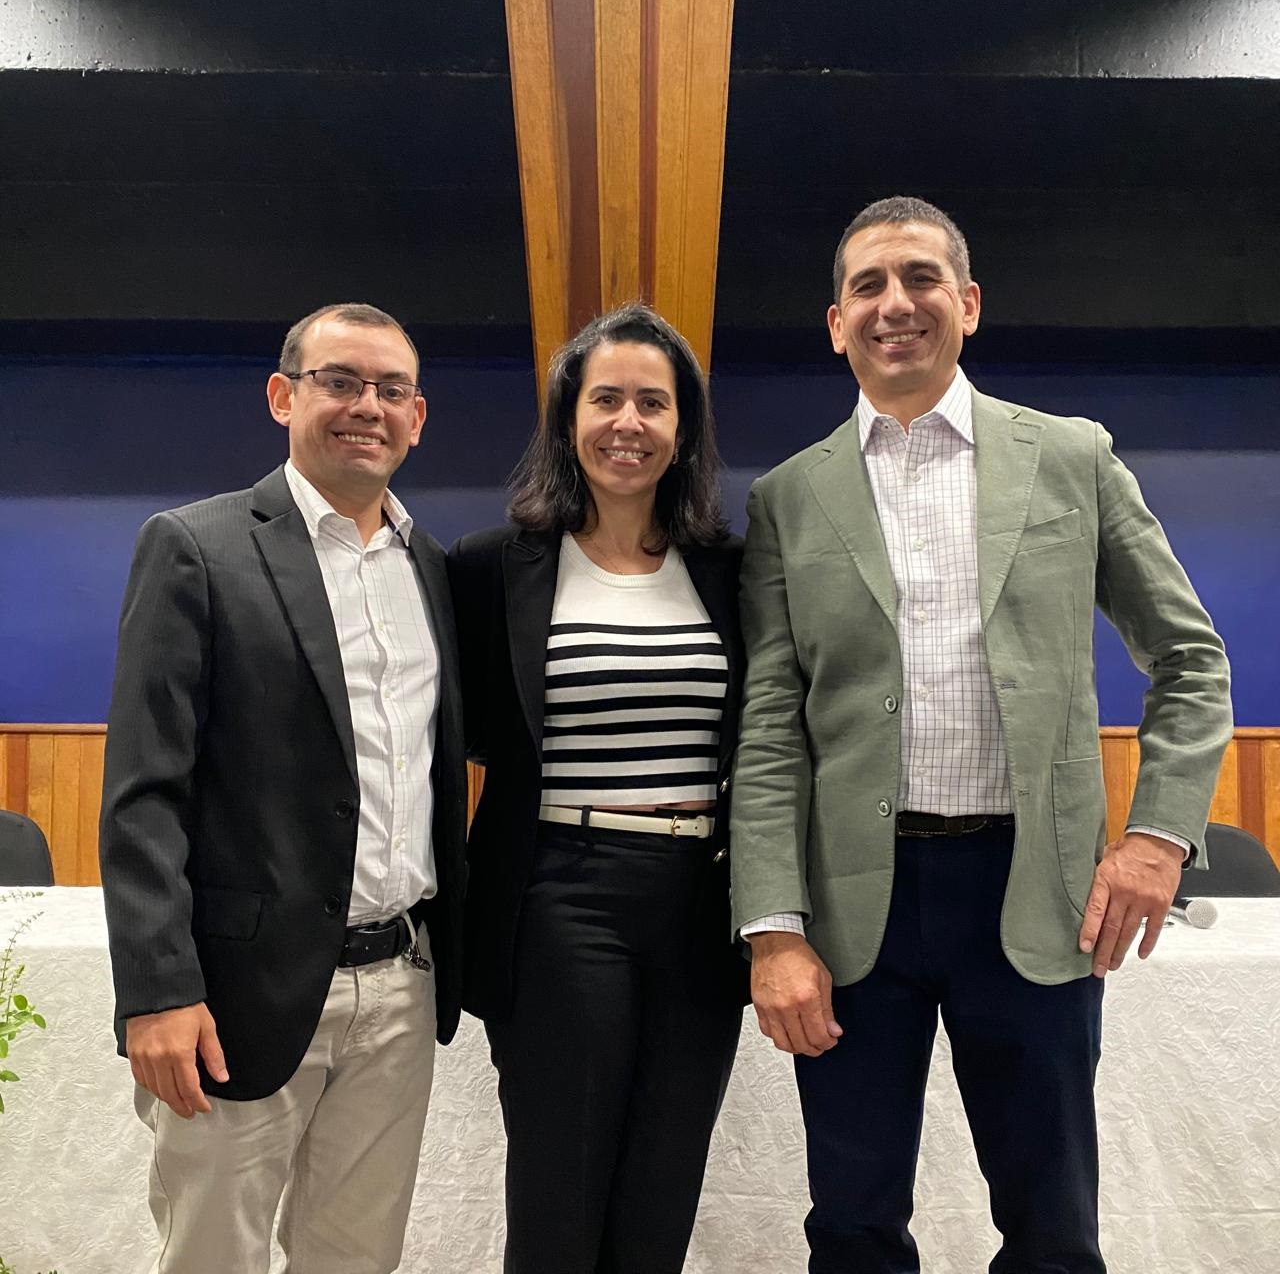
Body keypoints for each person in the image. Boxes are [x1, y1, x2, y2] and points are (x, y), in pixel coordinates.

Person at [730, 197, 1232, 1272]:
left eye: (918, 278)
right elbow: (769, 728)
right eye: (865, 285)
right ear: (832, 321)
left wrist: (1156, 837)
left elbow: (1190, 661)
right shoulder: (786, 498)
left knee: (1051, 1225)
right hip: (850, 910)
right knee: (852, 1224)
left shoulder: (1068, 458)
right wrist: (771, 928)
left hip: (1031, 890)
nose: (892, 304)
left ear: (965, 303)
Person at [98, 302, 467, 1274]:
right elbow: (144, 789)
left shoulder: (434, 571)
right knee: (211, 1258)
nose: (365, 406)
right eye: (339, 380)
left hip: (398, 989)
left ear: (419, 416)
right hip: (234, 1000)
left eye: (390, 389)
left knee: (354, 1260)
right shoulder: (197, 546)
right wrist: (158, 989)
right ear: (282, 395)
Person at [447, 303, 748, 1273]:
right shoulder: (494, 568)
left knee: (661, 1195)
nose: (628, 421)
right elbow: (458, 736)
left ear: (683, 424)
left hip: (701, 902)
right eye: (605, 397)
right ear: (566, 418)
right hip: (558, 896)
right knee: (559, 1195)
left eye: (651, 402)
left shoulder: (729, 569)